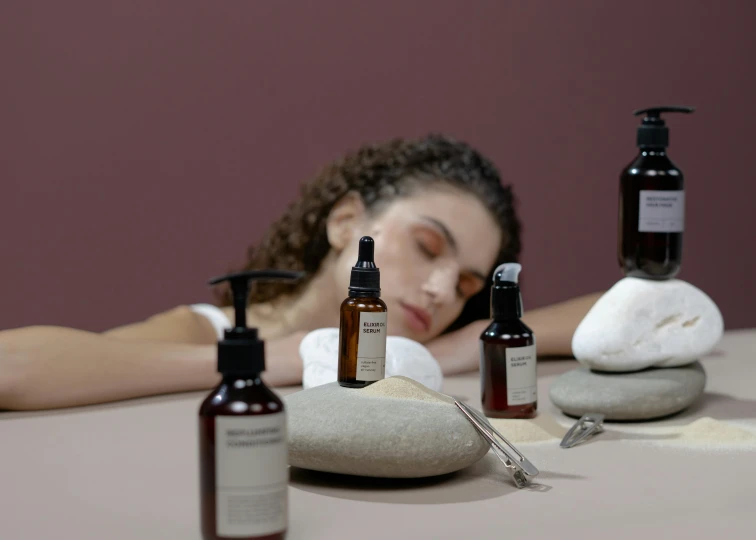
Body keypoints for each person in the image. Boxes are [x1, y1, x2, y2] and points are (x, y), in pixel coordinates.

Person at [0, 134, 601, 410]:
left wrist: (468, 342)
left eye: (467, 285)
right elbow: (12, 368)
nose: (442, 290)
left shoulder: (429, 345)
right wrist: (272, 358)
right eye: (425, 246)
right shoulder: (209, 331)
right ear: (346, 224)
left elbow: (634, 306)